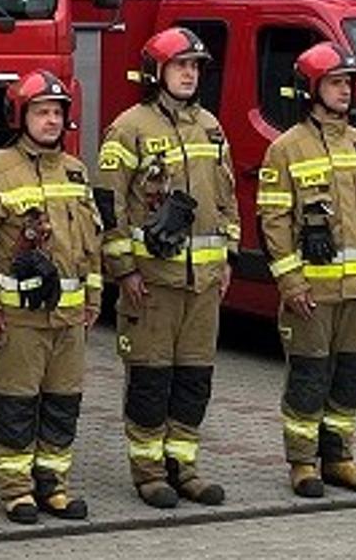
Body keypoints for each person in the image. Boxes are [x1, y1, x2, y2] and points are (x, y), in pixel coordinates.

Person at [95, 28, 241, 509]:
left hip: (202, 284)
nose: (189, 74)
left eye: (195, 67)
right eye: (180, 66)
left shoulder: (211, 128)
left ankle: (186, 468)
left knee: (194, 380)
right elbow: (108, 207)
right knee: (151, 381)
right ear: (156, 72)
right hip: (152, 285)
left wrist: (229, 256)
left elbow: (227, 199)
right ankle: (150, 472)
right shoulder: (128, 129)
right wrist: (125, 271)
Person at [257, 41, 356, 498]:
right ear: (310, 88)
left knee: (353, 373)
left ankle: (339, 457)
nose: (345, 92)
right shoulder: (285, 149)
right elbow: (273, 223)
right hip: (312, 292)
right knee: (309, 376)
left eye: (349, 83)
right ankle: (301, 463)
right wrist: (290, 282)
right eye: (336, 83)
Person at [0, 70, 100, 524]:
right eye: (42, 112)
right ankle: (17, 492)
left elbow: (92, 243)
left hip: (68, 318)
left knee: (63, 403)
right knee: (16, 406)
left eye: (58, 112)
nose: (51, 121)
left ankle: (54, 487)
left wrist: (94, 297)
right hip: (18, 319)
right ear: (20, 116)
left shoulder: (76, 170)